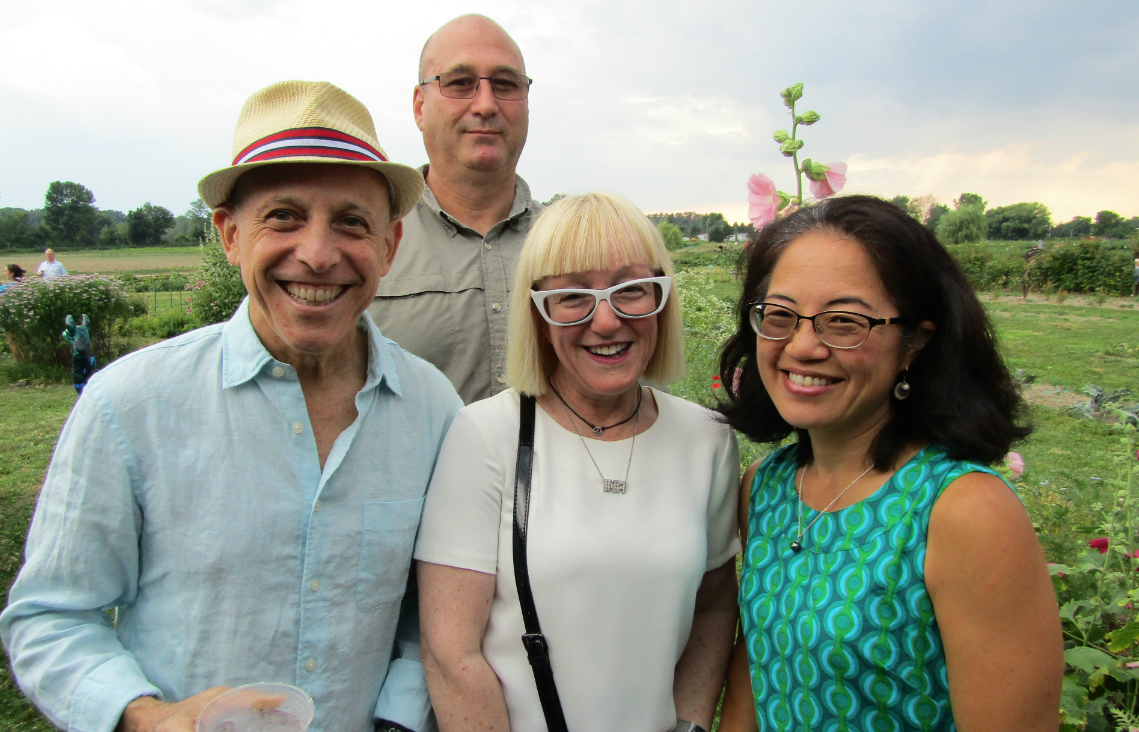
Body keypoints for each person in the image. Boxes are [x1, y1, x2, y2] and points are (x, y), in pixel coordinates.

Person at [0, 81, 463, 732]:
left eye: (351, 223)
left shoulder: (431, 408)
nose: (318, 253)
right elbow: (50, 615)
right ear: (230, 235)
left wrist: (396, 719)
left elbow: (428, 617)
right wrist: (145, 717)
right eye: (284, 217)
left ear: (388, 246)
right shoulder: (129, 405)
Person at [715, 196, 1062, 731]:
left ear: (915, 343)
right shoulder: (767, 486)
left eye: (845, 322)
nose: (802, 346)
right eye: (780, 316)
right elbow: (757, 675)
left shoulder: (964, 510)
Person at [414, 192, 741, 732]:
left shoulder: (707, 441)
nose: (607, 321)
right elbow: (452, 656)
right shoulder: (485, 437)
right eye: (572, 296)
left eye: (632, 289)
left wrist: (691, 726)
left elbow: (712, 608)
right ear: (537, 314)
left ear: (663, 299)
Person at [367, 14, 540, 405]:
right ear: (419, 106)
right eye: (460, 83)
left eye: (506, 84)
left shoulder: (575, 249)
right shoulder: (364, 244)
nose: (485, 104)